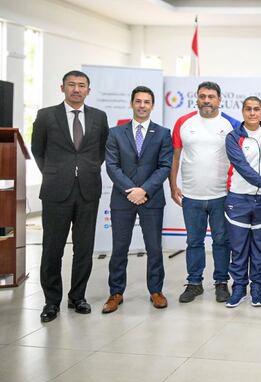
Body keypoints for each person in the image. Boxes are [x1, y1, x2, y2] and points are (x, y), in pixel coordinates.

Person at [31, 70, 110, 322]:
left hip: (88, 189)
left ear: (89, 90)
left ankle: (78, 297)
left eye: (82, 85)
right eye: (72, 85)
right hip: (56, 191)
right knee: (52, 249)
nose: (77, 89)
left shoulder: (99, 117)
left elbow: (100, 150)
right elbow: (38, 150)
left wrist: (85, 169)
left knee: (84, 248)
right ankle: (51, 302)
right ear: (62, 87)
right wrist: (55, 173)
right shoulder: (46, 116)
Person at [102, 86, 173, 313]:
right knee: (119, 248)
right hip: (122, 199)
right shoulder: (115, 133)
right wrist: (131, 190)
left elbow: (164, 166)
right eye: (138, 101)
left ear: (152, 105)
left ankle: (156, 291)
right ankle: (115, 293)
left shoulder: (162, 133)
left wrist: (144, 190)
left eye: (147, 102)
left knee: (153, 248)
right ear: (132, 103)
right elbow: (112, 166)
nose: (142, 105)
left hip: (151, 199)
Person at [169, 81, 240, 304]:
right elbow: (175, 157)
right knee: (194, 241)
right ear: (197, 99)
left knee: (221, 241)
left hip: (222, 195)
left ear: (220, 99)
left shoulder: (231, 124)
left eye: (211, 96)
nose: (206, 100)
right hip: (191, 195)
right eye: (202, 96)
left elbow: (241, 158)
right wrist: (173, 186)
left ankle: (221, 282)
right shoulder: (183, 123)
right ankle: (194, 283)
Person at [223, 96, 261, 308]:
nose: (252, 113)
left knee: (260, 247)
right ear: (243, 111)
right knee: (238, 248)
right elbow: (241, 166)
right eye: (248, 109)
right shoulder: (233, 137)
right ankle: (238, 287)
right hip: (238, 198)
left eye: (256, 109)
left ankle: (257, 287)